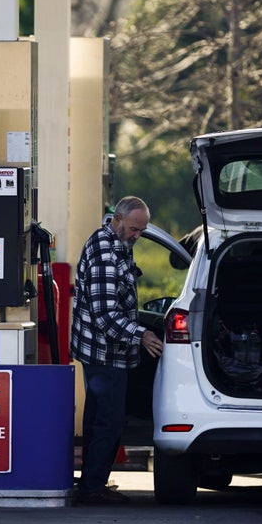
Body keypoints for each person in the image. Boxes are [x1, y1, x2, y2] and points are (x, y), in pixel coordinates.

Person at [70, 195, 163, 505]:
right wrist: (142, 335)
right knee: (107, 421)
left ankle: (92, 483)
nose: (138, 235)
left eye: (142, 231)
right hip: (104, 354)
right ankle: (92, 489)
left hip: (106, 352)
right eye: (134, 229)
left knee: (100, 419)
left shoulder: (118, 244)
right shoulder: (104, 253)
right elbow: (106, 315)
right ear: (118, 219)